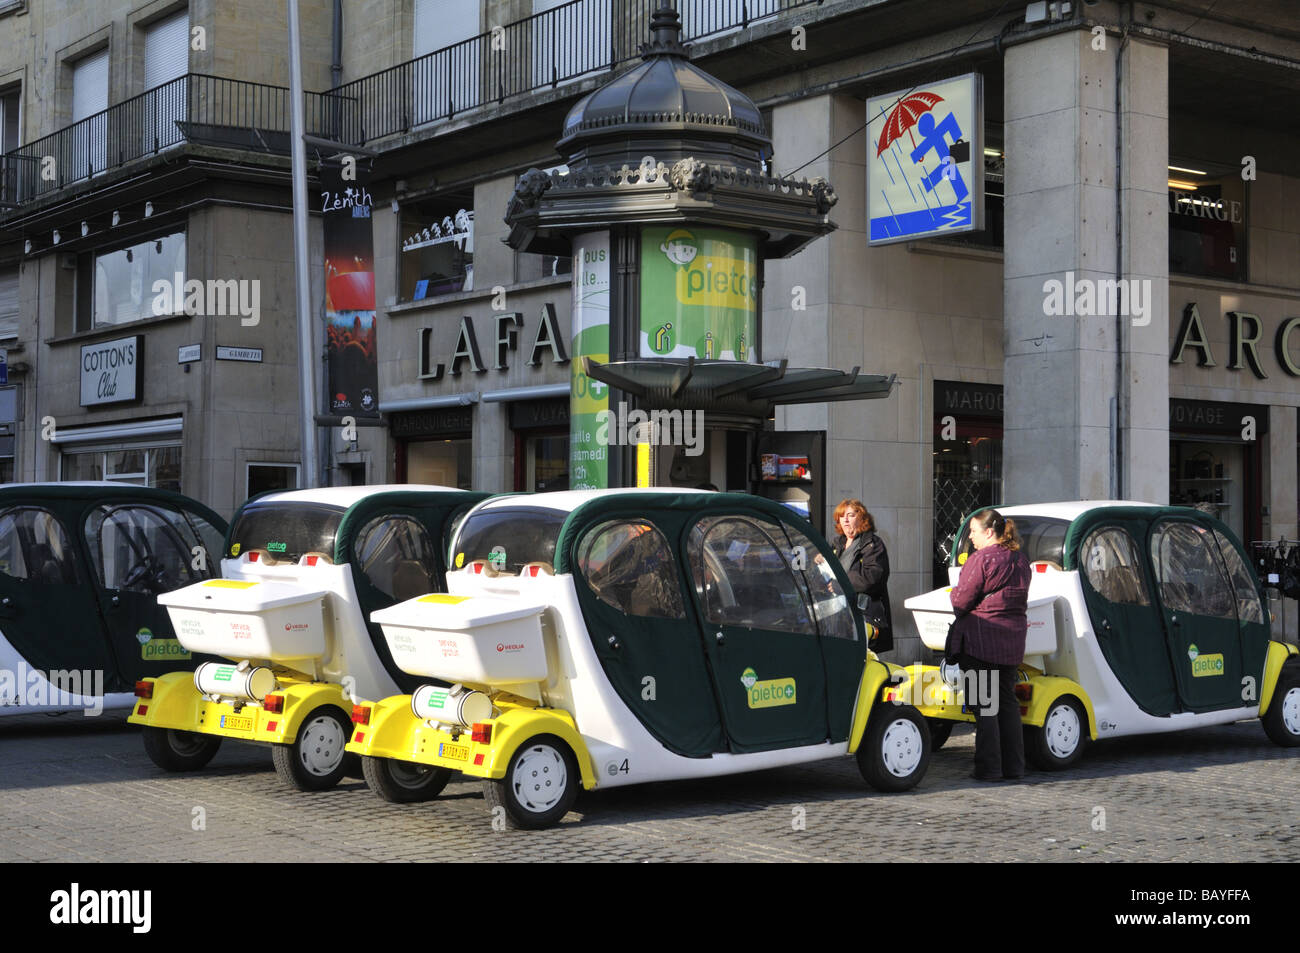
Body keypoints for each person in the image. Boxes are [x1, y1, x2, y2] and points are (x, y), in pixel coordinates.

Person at [945, 508, 1032, 782]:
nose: (970, 537)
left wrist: (955, 593)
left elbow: (961, 602)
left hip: (980, 641)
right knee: (1007, 704)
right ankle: (1014, 767)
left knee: (985, 707)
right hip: (1011, 642)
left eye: (973, 531)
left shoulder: (981, 559)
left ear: (988, 532)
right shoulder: (1020, 561)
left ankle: (989, 768)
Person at [831, 499, 893, 653]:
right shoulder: (836, 545)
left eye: (851, 515)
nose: (845, 519)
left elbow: (873, 577)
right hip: (838, 618)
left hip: (863, 617)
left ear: (862, 519)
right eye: (842, 515)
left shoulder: (872, 544)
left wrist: (841, 583)